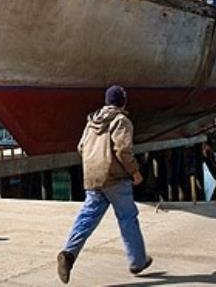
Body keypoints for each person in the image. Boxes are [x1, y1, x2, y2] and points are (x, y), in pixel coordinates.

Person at [57, 85, 152, 284]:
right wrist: (135, 172)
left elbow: (81, 147)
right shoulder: (121, 120)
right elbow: (123, 150)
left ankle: (68, 253)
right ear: (123, 102)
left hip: (93, 178)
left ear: (107, 101)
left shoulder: (91, 122)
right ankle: (137, 261)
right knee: (127, 217)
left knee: (87, 218)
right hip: (115, 178)